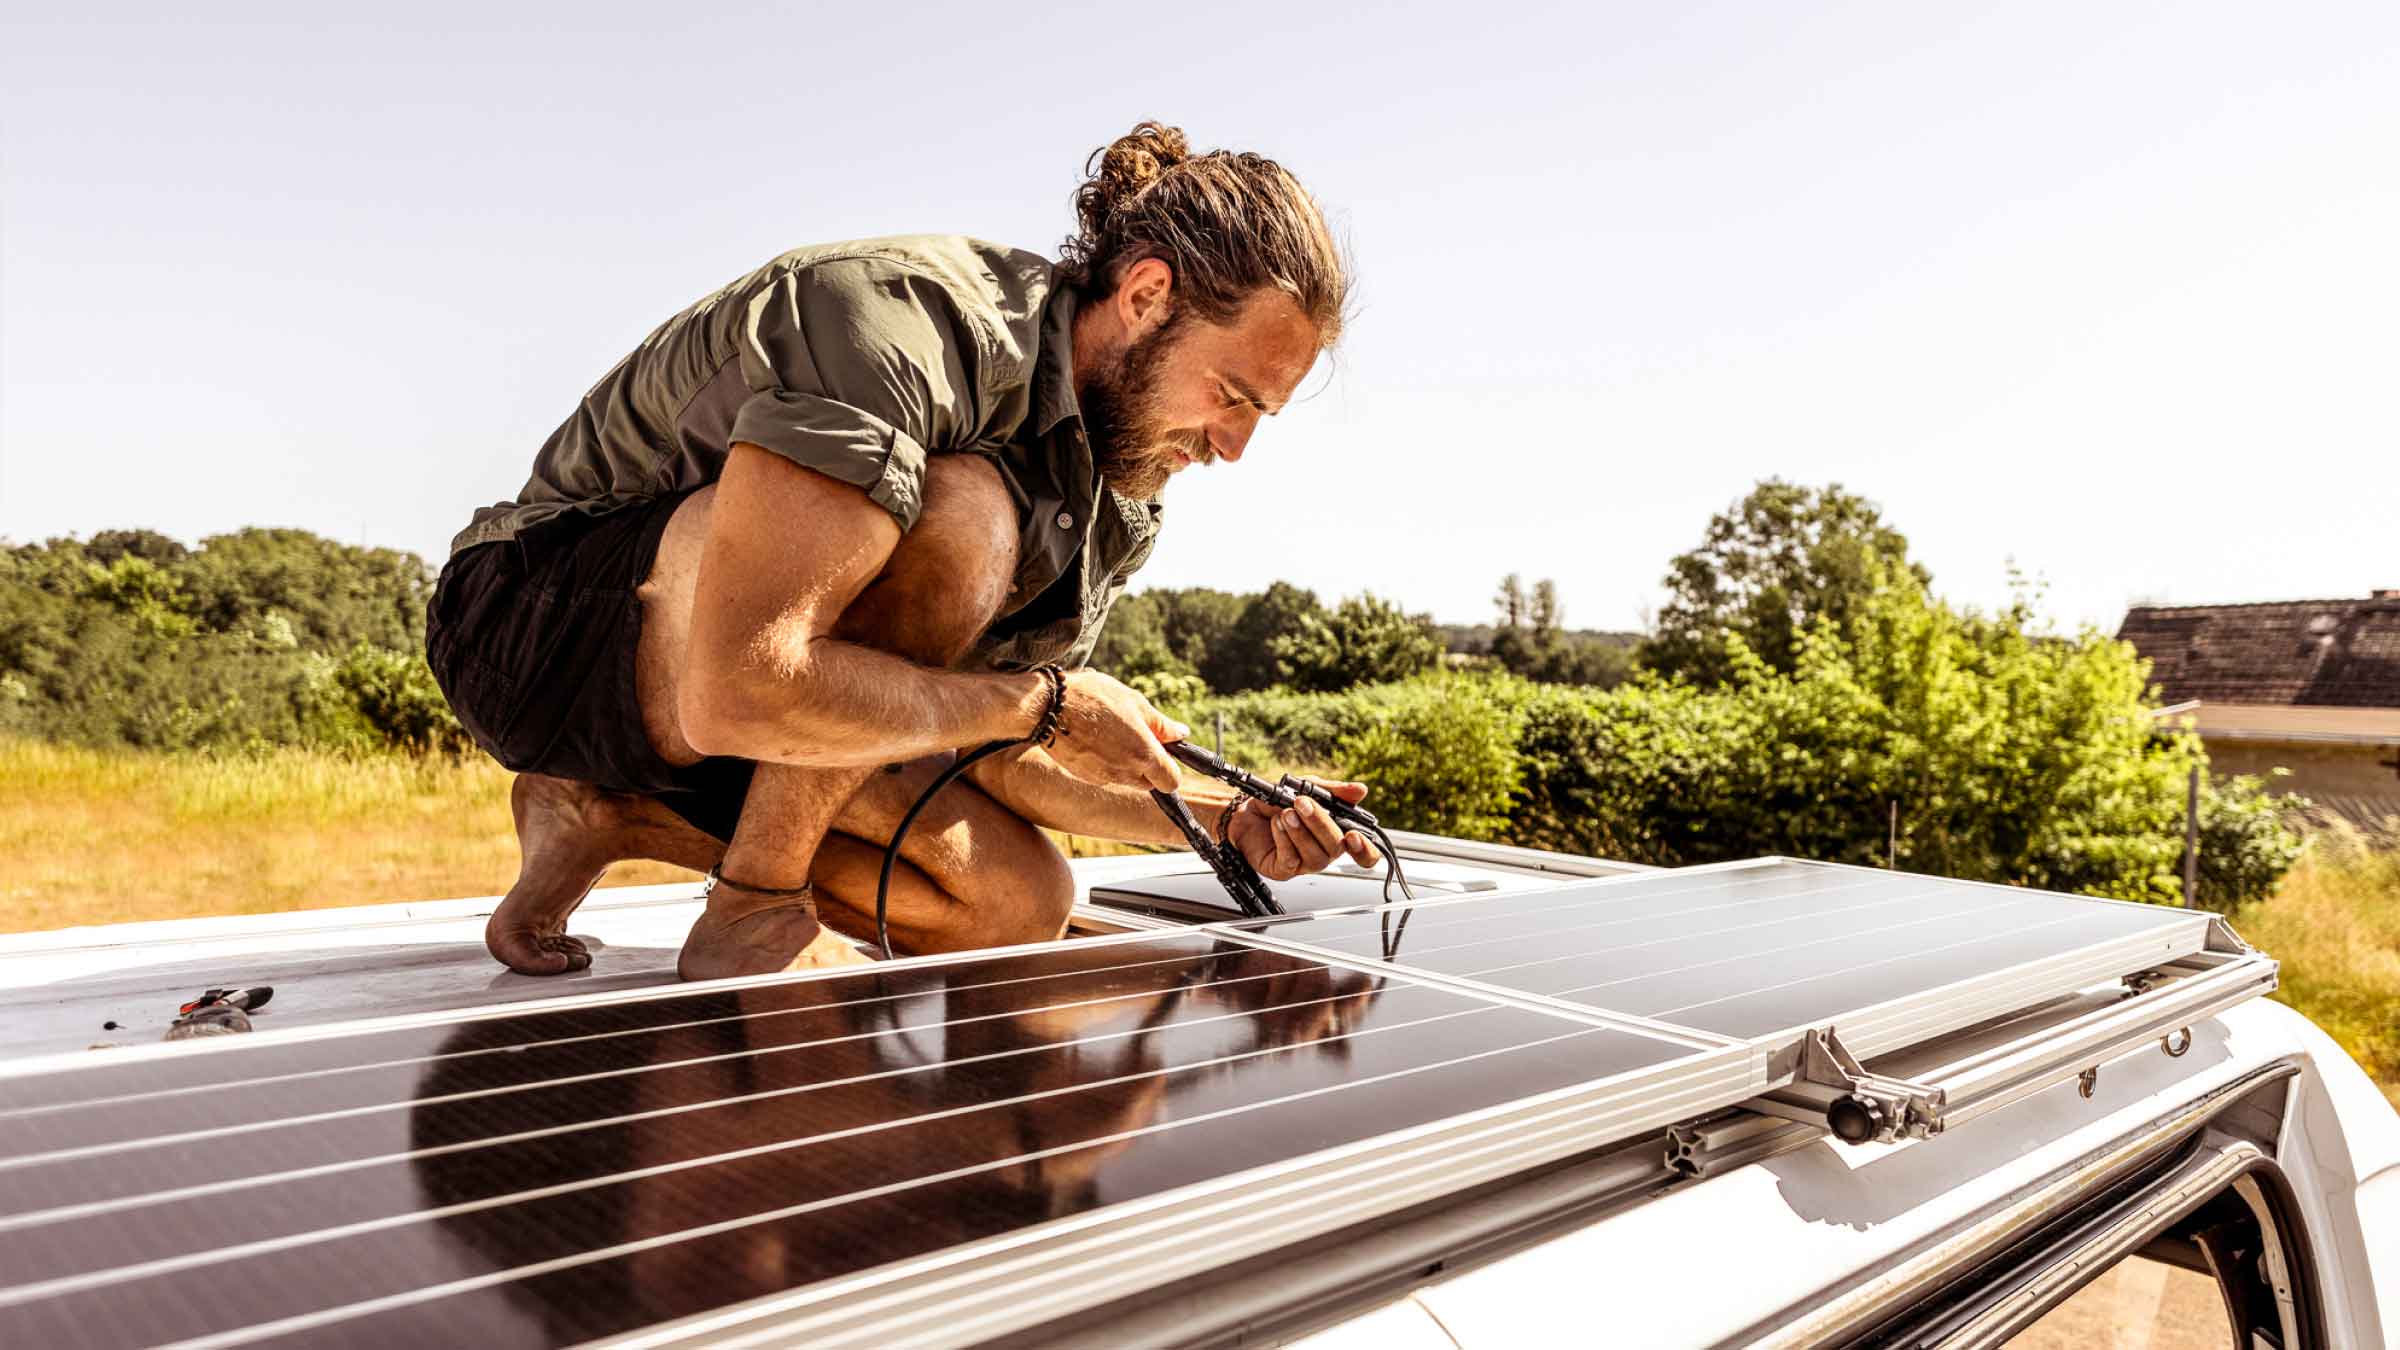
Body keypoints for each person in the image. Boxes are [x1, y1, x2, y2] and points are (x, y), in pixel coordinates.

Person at [427, 122, 1381, 980]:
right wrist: (1044, 704)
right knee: (963, 516)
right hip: (534, 630)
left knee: (1016, 905)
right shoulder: (905, 326)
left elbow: (989, 742)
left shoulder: (1118, 491)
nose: (1233, 446)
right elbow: (742, 688)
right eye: (1232, 396)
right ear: (1145, 294)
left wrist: (1222, 819)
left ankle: (606, 812)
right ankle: (754, 904)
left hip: (747, 712)